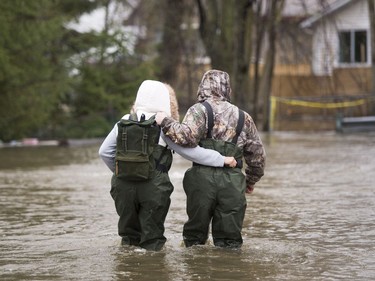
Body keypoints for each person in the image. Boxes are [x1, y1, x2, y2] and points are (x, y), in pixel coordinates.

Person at [99, 80, 237, 251]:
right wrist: (222, 159)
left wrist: (122, 171)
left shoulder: (124, 121)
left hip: (122, 186)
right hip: (153, 188)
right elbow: (191, 152)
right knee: (152, 241)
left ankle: (128, 269)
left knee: (128, 238)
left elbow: (104, 152)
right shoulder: (162, 126)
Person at [155, 70, 266, 248]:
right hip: (232, 182)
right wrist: (250, 181)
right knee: (230, 244)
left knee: (194, 241)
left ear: (203, 87)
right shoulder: (245, 118)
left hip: (201, 181)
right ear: (227, 88)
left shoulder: (199, 110)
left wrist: (165, 121)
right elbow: (258, 158)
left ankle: (196, 273)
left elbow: (185, 138)